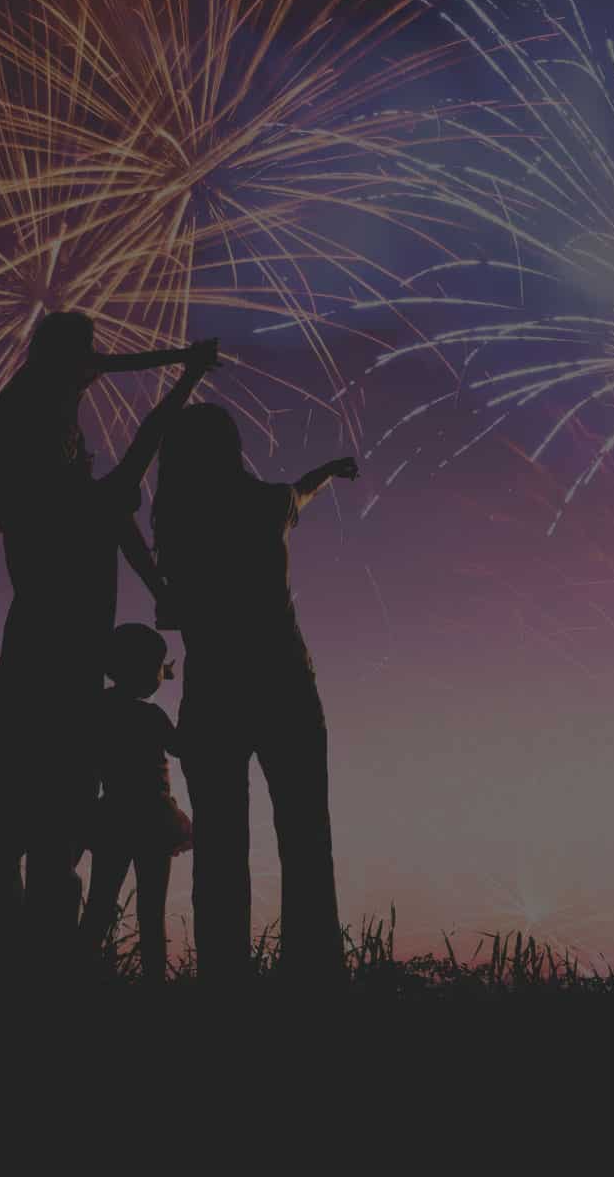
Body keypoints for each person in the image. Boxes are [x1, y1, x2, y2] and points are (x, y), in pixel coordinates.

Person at [0, 311, 219, 968]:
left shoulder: (54, 490)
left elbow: (127, 530)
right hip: (55, 671)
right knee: (46, 824)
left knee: (35, 820)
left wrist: (161, 587)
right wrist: (183, 375)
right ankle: (38, 961)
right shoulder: (67, 484)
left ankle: (26, 954)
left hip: (44, 666)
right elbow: (142, 445)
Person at [151, 403, 357, 984]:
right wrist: (329, 471)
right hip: (284, 682)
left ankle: (224, 979)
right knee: (306, 836)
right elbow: (300, 492)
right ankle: (314, 974)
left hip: (214, 689)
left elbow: (176, 605)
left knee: (218, 845)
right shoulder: (267, 505)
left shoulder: (173, 522)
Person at [79, 623, 194, 983]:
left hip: (114, 816)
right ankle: (154, 981)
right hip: (153, 820)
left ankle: (77, 970)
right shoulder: (152, 716)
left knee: (99, 903)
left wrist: (161, 672)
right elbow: (180, 748)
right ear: (146, 673)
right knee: (151, 910)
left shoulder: (99, 708)